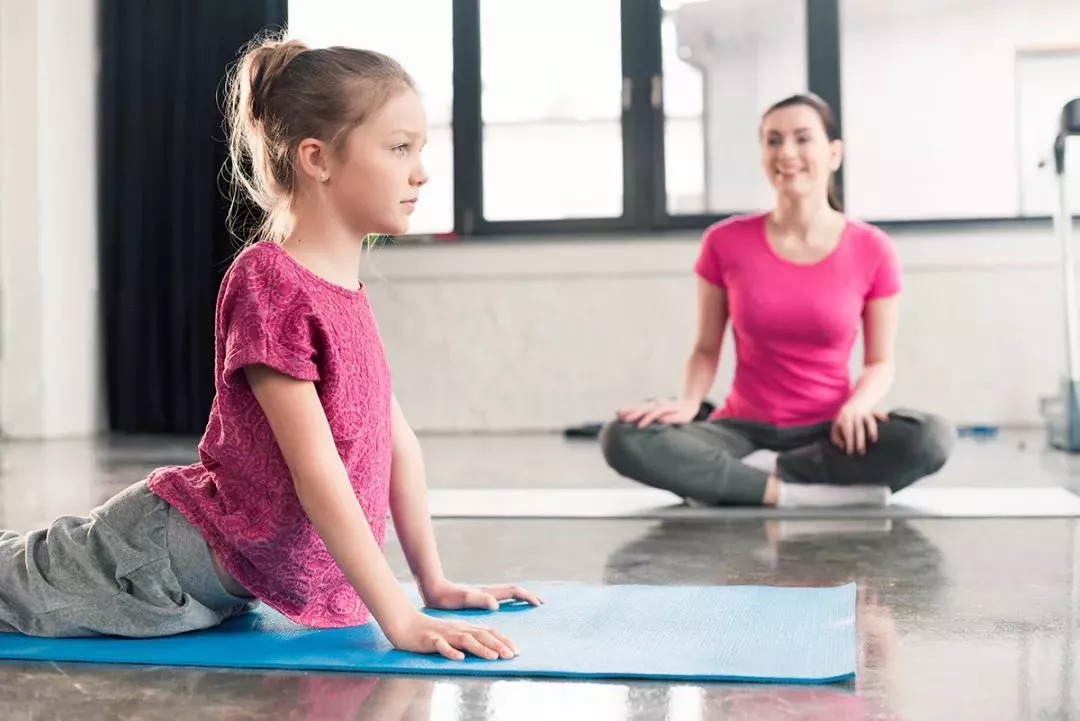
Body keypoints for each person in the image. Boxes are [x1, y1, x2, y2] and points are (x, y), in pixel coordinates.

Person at [0, 33, 541, 661]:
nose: (421, 171)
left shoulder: (344, 291)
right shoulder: (269, 280)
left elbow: (395, 444)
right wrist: (398, 618)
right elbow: (316, 471)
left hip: (208, 587)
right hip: (151, 565)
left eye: (420, 149)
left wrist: (432, 583)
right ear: (317, 158)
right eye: (398, 149)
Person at [600, 93, 955, 508]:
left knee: (931, 436)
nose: (786, 153)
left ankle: (746, 482)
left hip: (830, 431)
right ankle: (791, 492)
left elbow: (880, 363)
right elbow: (705, 348)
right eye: (773, 141)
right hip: (740, 429)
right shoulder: (724, 242)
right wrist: (688, 402)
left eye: (803, 139)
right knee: (623, 437)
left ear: (834, 153)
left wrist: (859, 405)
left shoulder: (872, 248)